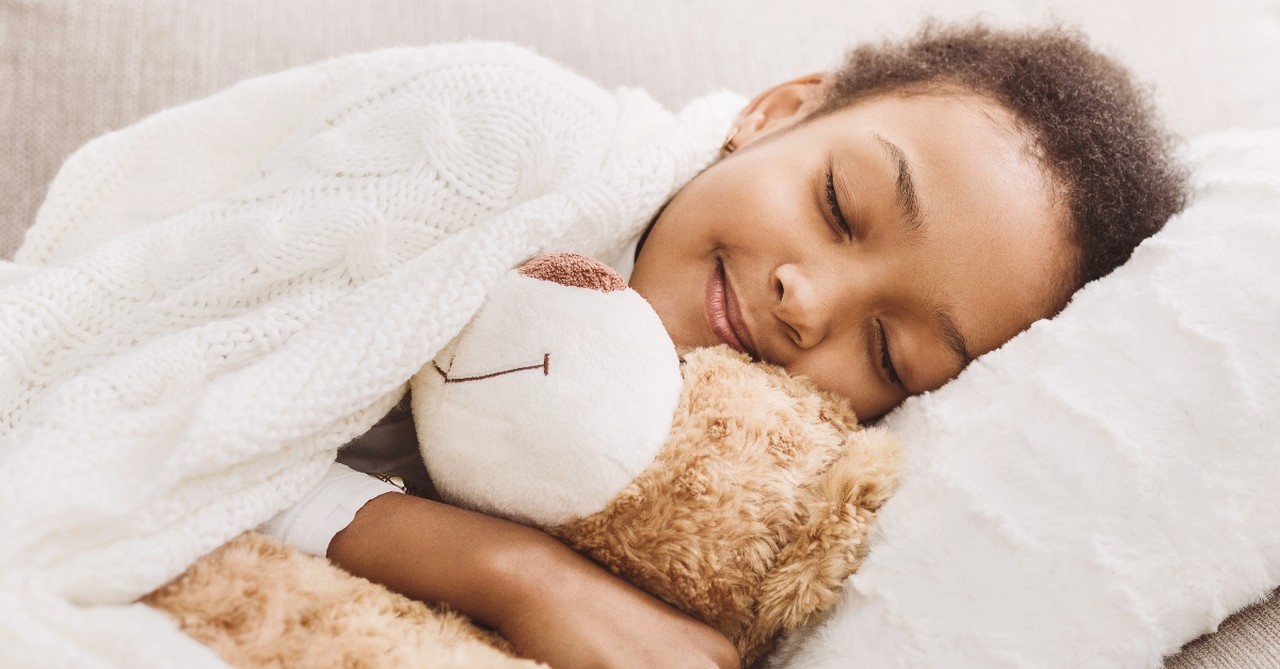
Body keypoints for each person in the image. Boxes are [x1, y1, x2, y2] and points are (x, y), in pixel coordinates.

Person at [263, 22, 1187, 669]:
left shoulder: (707, 492)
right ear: (779, 111)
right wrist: (512, 572)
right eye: (838, 206)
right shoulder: (501, 143)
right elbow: (171, 412)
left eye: (888, 352)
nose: (806, 299)